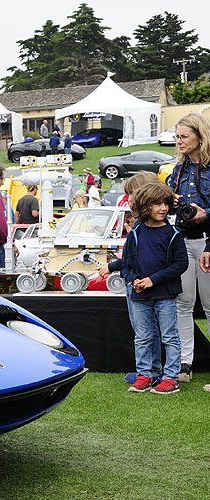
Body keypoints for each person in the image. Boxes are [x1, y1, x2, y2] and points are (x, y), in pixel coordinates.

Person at [97, 182, 187, 394]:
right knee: (143, 337)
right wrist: (134, 281)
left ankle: (171, 378)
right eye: (157, 204)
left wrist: (152, 280)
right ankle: (145, 375)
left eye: (166, 203)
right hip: (139, 296)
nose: (163, 208)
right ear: (145, 206)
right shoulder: (135, 233)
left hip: (165, 295)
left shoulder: (174, 233)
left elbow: (180, 264)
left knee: (169, 337)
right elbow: (127, 264)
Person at [168, 113, 210, 383]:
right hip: (183, 240)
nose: (179, 142)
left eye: (184, 136)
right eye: (177, 137)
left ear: (200, 137)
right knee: (182, 304)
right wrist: (170, 201)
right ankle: (185, 363)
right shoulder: (177, 171)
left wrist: (206, 213)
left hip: (208, 241)